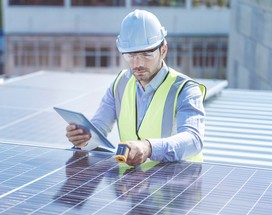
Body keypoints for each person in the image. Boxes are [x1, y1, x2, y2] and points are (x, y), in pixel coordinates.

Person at [66, 9, 206, 166]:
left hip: (174, 187)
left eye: (147, 54)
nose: (138, 63)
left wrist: (149, 148)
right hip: (131, 185)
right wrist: (84, 138)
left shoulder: (185, 90)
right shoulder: (119, 84)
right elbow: (98, 129)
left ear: (163, 50)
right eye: (131, 55)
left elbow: (194, 140)